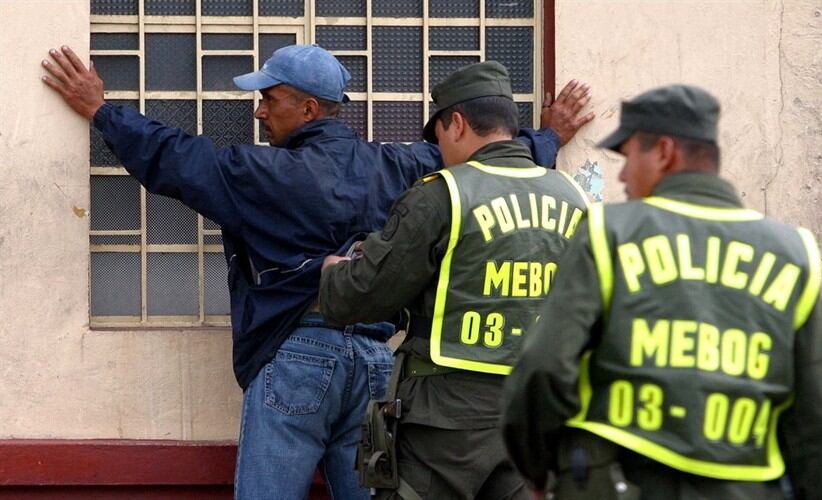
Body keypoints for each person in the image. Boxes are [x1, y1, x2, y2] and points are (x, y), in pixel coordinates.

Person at [40, 44, 593, 499]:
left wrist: (102, 111)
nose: (259, 111)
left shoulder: (260, 173)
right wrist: (548, 139)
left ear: (308, 109)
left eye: (269, 98)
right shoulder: (402, 166)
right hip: (377, 364)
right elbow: (486, 162)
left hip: (296, 356)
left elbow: (175, 158)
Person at [501, 84, 822, 500]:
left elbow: (543, 367)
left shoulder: (609, 232)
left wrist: (542, 470)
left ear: (664, 152)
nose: (622, 175)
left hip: (617, 482)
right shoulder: (792, 252)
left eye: (628, 157)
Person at [319, 61, 593, 499]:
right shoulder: (574, 197)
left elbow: (361, 297)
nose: (441, 150)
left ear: (458, 124)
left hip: (444, 428)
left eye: (440, 136)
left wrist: (334, 275)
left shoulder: (442, 194)